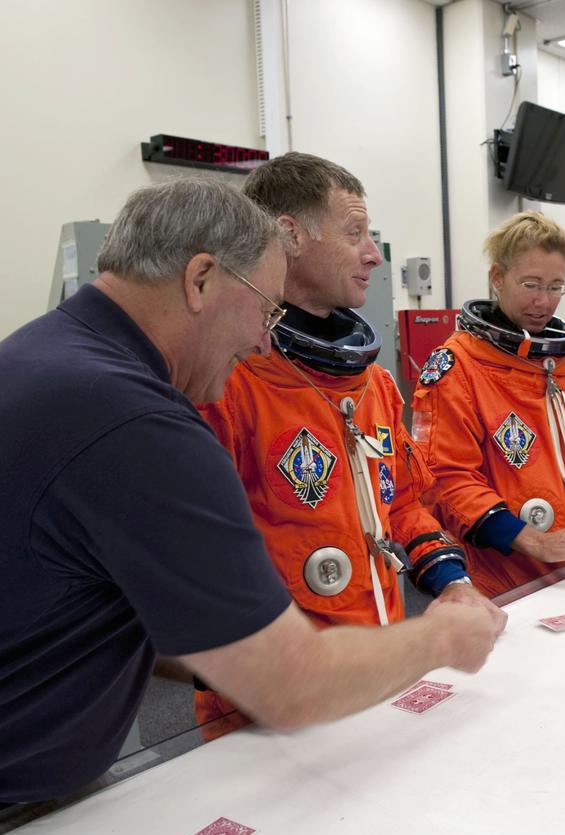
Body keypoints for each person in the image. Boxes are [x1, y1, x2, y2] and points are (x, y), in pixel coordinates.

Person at [0, 179, 501, 835]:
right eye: (267, 310)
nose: (264, 345)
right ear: (203, 280)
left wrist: (250, 646)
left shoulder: (49, 359)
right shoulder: (133, 417)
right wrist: (441, 637)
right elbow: (291, 687)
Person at [194, 152, 505, 727]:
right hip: (272, 706)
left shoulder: (376, 385)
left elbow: (404, 503)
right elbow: (198, 563)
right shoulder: (228, 387)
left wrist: (452, 582)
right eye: (355, 232)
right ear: (288, 236)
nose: (373, 255)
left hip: (377, 669)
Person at [411, 212, 565, 597]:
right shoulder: (458, 367)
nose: (542, 301)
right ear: (498, 278)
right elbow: (449, 481)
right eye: (530, 284)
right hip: (502, 582)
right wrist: (535, 541)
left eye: (555, 287)